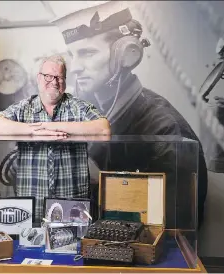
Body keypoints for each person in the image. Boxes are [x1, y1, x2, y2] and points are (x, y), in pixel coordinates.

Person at [50, 1, 208, 229]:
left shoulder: (163, 128)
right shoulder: (83, 113)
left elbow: (176, 226)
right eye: (72, 55)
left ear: (124, 55)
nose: (74, 68)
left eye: (87, 53)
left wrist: (92, 182)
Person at [0, 54, 111, 222]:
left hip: (71, 202)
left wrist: (53, 126)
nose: (54, 82)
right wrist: (31, 131)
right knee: (29, 246)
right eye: (49, 76)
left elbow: (103, 129)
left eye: (59, 77)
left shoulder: (78, 107)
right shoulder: (23, 108)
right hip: (31, 202)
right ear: (38, 78)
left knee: (71, 246)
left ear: (65, 81)